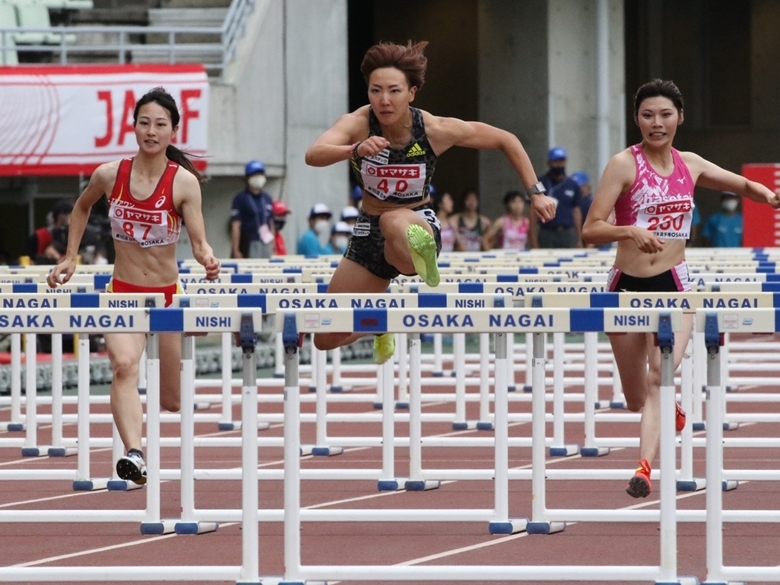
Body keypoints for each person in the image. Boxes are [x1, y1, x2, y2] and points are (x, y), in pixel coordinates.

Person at [581, 78, 780, 498]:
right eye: (648, 115)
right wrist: (630, 232)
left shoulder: (690, 164)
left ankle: (644, 468)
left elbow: (738, 184)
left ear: (680, 118)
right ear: (637, 119)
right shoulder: (623, 165)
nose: (657, 123)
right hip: (626, 285)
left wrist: (762, 192)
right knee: (636, 397)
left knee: (659, 376)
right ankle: (664, 408)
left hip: (675, 284)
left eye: (665, 115)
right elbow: (590, 230)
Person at [304, 40, 555, 363]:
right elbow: (314, 154)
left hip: (415, 221)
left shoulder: (434, 129)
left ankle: (422, 253)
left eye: (394, 91)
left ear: (412, 92)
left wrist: (536, 192)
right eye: (375, 90)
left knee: (393, 219)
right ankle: (380, 322)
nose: (384, 100)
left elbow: (505, 139)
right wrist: (354, 149)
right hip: (368, 232)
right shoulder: (357, 123)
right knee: (325, 337)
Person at [46, 87, 220, 486]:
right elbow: (81, 206)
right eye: (144, 123)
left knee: (171, 401)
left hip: (166, 297)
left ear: (173, 131)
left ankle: (142, 441)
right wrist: (70, 255)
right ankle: (135, 453)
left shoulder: (183, 184)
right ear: (134, 127)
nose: (151, 131)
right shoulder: (110, 175)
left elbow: (198, 243)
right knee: (124, 367)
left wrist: (208, 259)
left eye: (160, 124)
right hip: (122, 292)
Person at [530, 147, 583, 249]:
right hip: (547, 232)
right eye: (556, 161)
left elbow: (576, 212)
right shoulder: (539, 183)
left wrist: (579, 239)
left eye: (562, 161)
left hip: (567, 232)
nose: (559, 164)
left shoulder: (573, 185)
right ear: (549, 163)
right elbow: (532, 211)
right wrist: (533, 238)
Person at [230, 160, 274, 259]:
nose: (258, 177)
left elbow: (270, 223)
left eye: (260, 174)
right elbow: (236, 225)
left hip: (265, 241)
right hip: (248, 242)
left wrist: (273, 246)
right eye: (254, 174)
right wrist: (236, 249)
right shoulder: (240, 199)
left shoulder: (267, 198)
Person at [26, 199, 72, 264]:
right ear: (60, 217)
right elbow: (28, 259)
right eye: (71, 216)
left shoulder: (71, 235)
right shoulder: (38, 236)